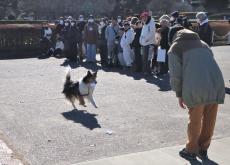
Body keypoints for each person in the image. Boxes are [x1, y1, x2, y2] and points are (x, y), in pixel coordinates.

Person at [168, 25, 225, 161]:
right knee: (210, 119)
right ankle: (203, 149)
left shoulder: (175, 47)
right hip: (215, 83)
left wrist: (179, 94)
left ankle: (191, 150)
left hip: (195, 86)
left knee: (195, 120)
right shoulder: (203, 43)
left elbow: (176, 75)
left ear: (173, 36)